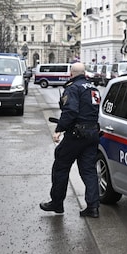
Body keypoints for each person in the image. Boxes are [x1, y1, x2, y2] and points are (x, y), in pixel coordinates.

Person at [40, 62, 102, 218]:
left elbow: (71, 111)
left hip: (76, 134)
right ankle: (93, 207)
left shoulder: (73, 88)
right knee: (89, 170)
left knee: (61, 165)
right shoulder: (93, 88)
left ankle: (57, 203)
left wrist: (59, 129)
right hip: (92, 133)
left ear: (72, 74)